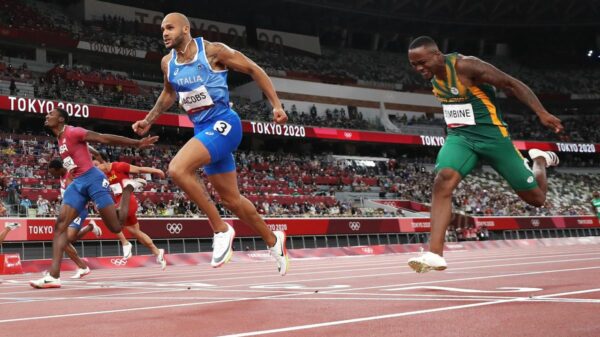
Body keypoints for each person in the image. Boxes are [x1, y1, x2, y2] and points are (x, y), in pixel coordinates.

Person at [132, 13, 289, 275]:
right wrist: (149, 119)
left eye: (170, 28)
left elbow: (254, 69)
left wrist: (276, 105)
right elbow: (170, 93)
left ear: (185, 28)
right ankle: (274, 241)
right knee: (232, 200)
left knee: (178, 169)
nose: (164, 33)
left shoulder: (213, 51)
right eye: (162, 29)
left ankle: (220, 229)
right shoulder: (167, 63)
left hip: (225, 124)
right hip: (204, 129)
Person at [406, 36, 564, 273]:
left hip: (493, 138)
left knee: (536, 199)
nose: (419, 69)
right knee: (442, 181)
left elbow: (511, 84)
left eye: (422, 62)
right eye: (414, 65)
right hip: (460, 138)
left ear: (437, 55)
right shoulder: (434, 78)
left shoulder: (466, 66)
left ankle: (540, 159)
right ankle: (434, 254)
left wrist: (541, 113)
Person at [30, 108, 156, 289]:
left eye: (51, 113)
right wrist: (95, 153)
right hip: (78, 184)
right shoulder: (60, 139)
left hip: (94, 180)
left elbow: (103, 137)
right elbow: (86, 149)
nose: (46, 116)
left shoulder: (73, 131)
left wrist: (137, 144)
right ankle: (53, 276)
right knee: (60, 226)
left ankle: (128, 188)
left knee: (116, 226)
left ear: (61, 119)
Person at [93, 152, 167, 270]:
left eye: (96, 166)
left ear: (104, 162)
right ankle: (157, 252)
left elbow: (139, 169)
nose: (95, 169)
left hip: (128, 202)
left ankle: (125, 243)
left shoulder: (119, 166)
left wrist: (156, 171)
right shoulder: (101, 175)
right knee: (136, 233)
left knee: (111, 219)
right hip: (119, 204)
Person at [47, 158, 103, 278]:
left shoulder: (70, 175)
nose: (52, 175)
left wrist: (95, 202)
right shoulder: (62, 176)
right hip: (69, 209)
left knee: (66, 239)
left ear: (59, 169)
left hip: (79, 208)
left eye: (53, 173)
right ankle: (83, 267)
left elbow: (83, 189)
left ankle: (82, 267)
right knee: (65, 240)